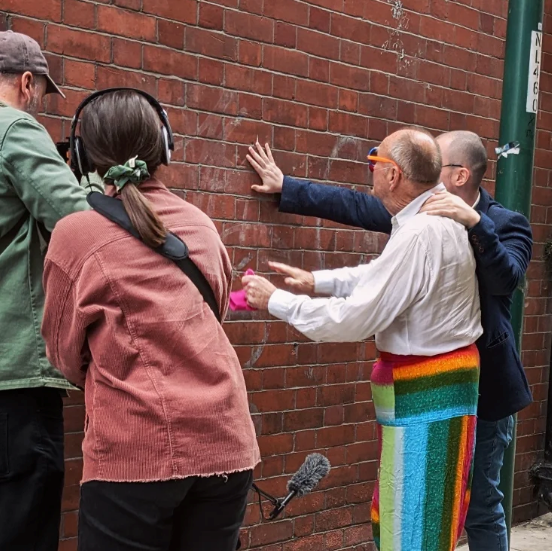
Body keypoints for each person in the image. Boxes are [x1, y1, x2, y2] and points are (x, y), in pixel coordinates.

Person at [246, 130, 533, 551]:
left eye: (373, 163)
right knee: (423, 515)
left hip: (444, 394)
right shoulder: (426, 219)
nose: (370, 173)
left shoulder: (449, 226)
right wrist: (318, 279)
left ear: (397, 175)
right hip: (431, 392)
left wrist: (280, 302)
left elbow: (357, 316)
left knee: (425, 519)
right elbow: (387, 270)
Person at [40, 89, 260, 551]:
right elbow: (214, 310)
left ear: (81, 155)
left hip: (135, 450)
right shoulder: (200, 223)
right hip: (226, 442)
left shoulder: (75, 235)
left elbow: (63, 354)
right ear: (165, 144)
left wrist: (119, 370)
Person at [0, 30, 90, 551]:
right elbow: (75, 221)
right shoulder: (14, 128)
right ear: (27, 82)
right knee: (24, 526)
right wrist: (96, 185)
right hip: (15, 380)